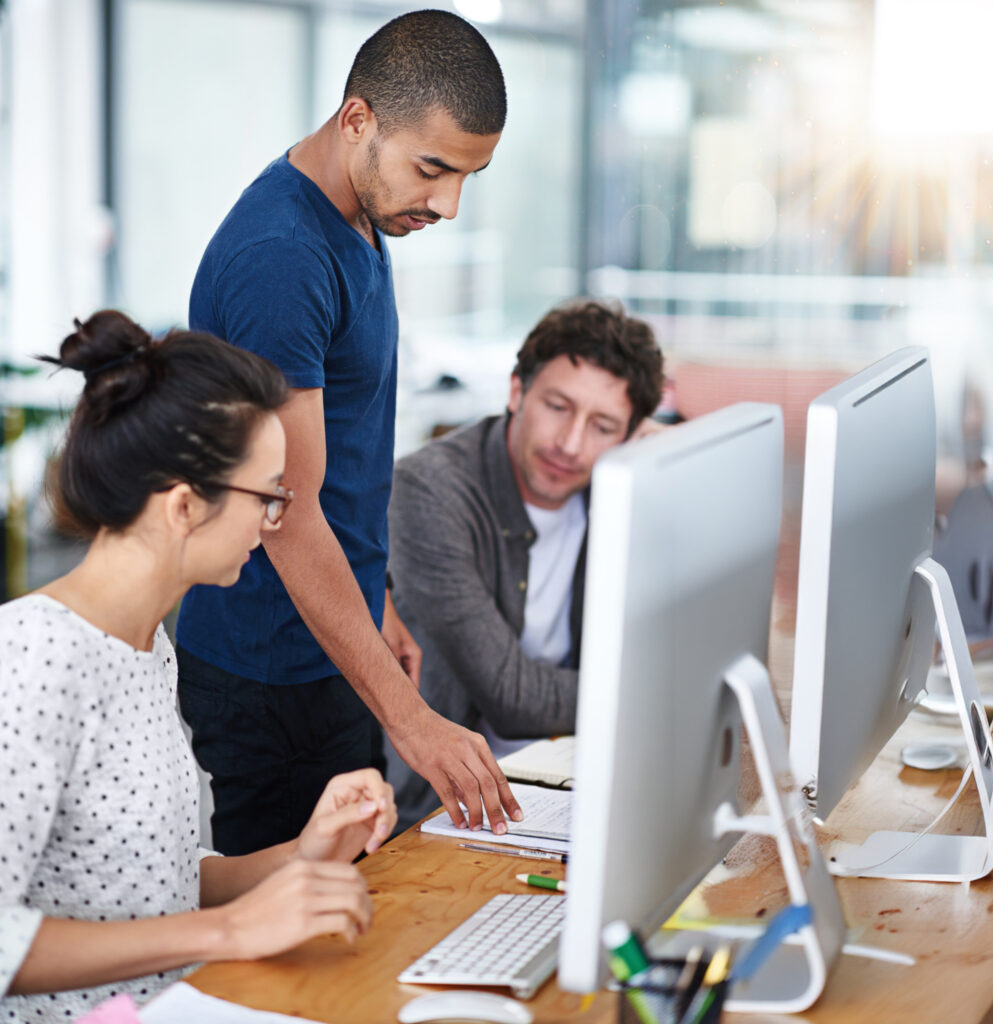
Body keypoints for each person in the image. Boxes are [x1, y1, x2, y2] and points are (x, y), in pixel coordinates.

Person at [175, 8, 521, 857]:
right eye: (433, 169)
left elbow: (348, 452)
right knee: (291, 958)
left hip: (335, 643)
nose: (447, 203)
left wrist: (383, 599)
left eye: (468, 176)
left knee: (359, 915)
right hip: (268, 675)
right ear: (357, 118)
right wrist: (414, 723)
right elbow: (287, 510)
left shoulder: (363, 212)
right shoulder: (282, 258)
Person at [0, 311, 396, 1022]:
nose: (273, 522)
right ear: (185, 505)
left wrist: (302, 855)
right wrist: (228, 932)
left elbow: (160, 881)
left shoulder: (150, 649)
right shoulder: (32, 660)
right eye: (268, 496)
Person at [386, 301, 665, 830]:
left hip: (577, 779)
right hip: (451, 808)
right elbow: (512, 697)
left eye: (604, 425)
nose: (571, 443)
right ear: (517, 391)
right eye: (558, 406)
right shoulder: (431, 490)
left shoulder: (621, 491)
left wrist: (672, 472)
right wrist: (650, 692)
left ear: (631, 435)